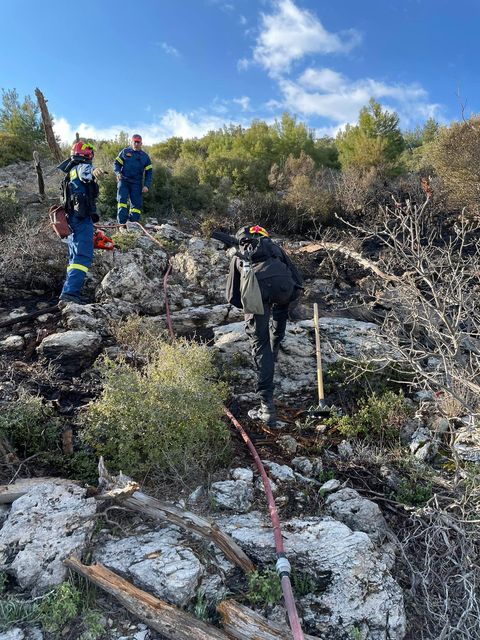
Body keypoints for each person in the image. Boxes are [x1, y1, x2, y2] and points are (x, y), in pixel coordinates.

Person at [225, 225, 303, 427]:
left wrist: (251, 308)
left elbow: (232, 295)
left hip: (257, 289)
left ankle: (266, 407)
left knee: (260, 344)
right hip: (284, 287)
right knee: (280, 309)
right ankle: (275, 345)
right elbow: (297, 280)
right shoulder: (275, 248)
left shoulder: (239, 254)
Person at [57, 141, 102, 305]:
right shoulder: (84, 168)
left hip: (73, 218)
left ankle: (68, 291)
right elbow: (90, 172)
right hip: (82, 219)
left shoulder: (70, 172)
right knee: (83, 256)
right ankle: (70, 293)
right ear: (87, 155)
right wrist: (96, 171)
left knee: (74, 257)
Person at [114, 134, 152, 224]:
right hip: (123, 180)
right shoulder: (125, 152)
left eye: (138, 142)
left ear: (141, 143)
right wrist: (118, 173)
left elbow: (149, 172)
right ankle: (121, 224)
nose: (136, 143)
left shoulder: (145, 157)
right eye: (134, 141)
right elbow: (116, 164)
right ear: (132, 142)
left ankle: (133, 224)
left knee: (136, 206)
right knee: (122, 201)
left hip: (137, 183)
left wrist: (146, 185)